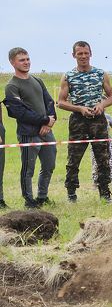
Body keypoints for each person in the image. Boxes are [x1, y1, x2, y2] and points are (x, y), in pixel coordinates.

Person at [57, 41, 112, 203]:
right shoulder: (68, 76)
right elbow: (61, 102)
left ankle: (105, 193)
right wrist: (79, 109)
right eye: (80, 54)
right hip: (78, 120)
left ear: (90, 54)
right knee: (73, 159)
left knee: (103, 158)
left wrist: (102, 105)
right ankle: (71, 194)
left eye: (86, 53)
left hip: (98, 120)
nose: (83, 56)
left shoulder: (100, 73)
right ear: (74, 55)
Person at [3, 48, 57, 208]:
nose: (26, 62)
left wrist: (49, 121)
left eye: (27, 59)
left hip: (47, 131)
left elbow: (49, 101)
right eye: (21, 60)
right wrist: (45, 120)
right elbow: (19, 112)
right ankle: (29, 200)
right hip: (28, 134)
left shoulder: (38, 80)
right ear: (12, 62)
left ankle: (42, 196)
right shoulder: (12, 86)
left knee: (49, 165)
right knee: (28, 169)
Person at [92, 112, 112, 190]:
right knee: (95, 162)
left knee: (111, 161)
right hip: (95, 142)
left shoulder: (107, 116)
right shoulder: (92, 117)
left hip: (108, 142)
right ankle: (95, 181)